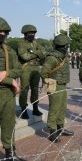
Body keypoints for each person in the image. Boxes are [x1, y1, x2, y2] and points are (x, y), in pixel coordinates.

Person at [41, 34, 74, 143]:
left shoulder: (62, 56)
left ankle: (60, 128)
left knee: (62, 107)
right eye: (66, 45)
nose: (66, 47)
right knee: (54, 108)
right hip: (55, 85)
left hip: (63, 84)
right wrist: (50, 84)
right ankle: (52, 131)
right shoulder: (52, 58)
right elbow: (44, 72)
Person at [0, 17, 22, 159]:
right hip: (8, 86)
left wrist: (6, 74)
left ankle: (10, 153)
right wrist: (10, 79)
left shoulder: (9, 51)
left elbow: (18, 69)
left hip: (7, 93)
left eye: (4, 32)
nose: (2, 34)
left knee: (9, 123)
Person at [18, 24, 45, 119]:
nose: (32, 35)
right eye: (30, 33)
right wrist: (37, 53)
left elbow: (43, 53)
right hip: (25, 68)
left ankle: (35, 108)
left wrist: (33, 52)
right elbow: (24, 57)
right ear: (25, 34)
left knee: (35, 89)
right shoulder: (21, 44)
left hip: (36, 68)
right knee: (24, 89)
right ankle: (23, 110)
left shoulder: (36, 43)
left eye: (33, 33)